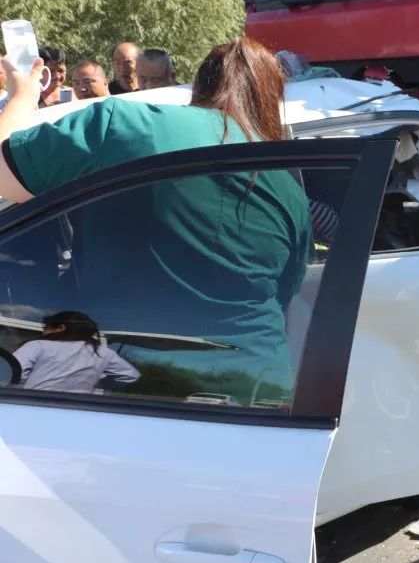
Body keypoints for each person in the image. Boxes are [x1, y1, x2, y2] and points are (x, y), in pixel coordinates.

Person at [0, 37, 312, 370]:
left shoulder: (119, 125)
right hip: (257, 389)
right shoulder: (288, 187)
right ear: (270, 102)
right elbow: (285, 295)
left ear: (199, 87)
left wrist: (21, 97)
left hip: (135, 382)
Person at [14, 311, 139, 393]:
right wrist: (93, 381)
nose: (43, 332)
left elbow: (13, 373)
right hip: (80, 408)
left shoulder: (37, 346)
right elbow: (130, 376)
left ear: (60, 328)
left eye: (45, 328)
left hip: (34, 403)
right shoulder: (103, 353)